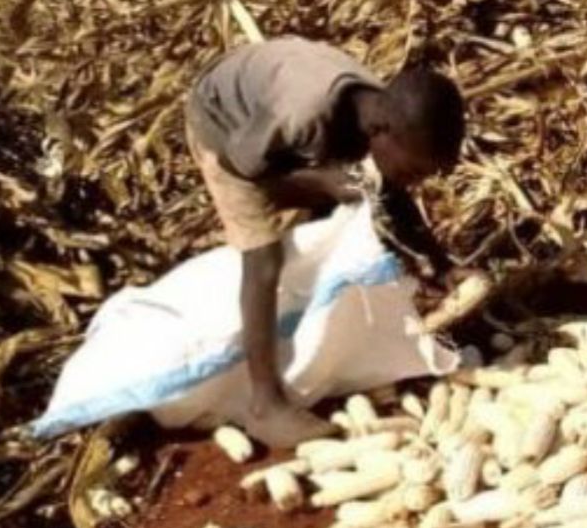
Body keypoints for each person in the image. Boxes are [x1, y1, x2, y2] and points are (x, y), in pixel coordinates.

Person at [185, 37, 466, 447]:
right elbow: (243, 166)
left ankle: (329, 326)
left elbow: (389, 188)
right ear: (379, 132)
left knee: (359, 194)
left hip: (276, 106)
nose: (421, 181)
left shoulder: (376, 112)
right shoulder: (303, 114)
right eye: (417, 170)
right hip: (224, 126)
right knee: (264, 259)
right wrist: (322, 182)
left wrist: (439, 263)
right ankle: (265, 406)